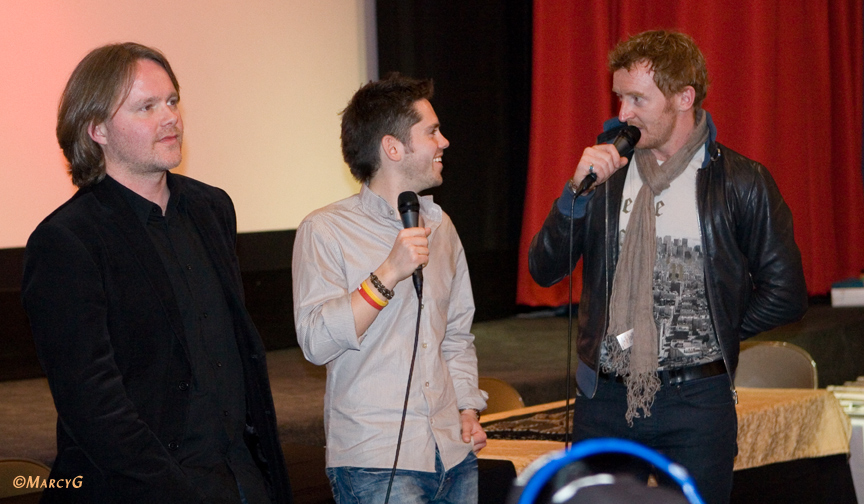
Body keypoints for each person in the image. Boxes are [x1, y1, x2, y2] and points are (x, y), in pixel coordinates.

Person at [528, 30, 807, 504]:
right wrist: (575, 194)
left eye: (638, 98)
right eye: (620, 97)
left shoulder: (741, 181)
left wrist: (714, 333)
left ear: (684, 97)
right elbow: (544, 268)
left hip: (697, 402)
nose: (623, 114)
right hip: (605, 400)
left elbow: (785, 293)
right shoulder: (606, 174)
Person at [22, 43, 292, 504]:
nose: (170, 117)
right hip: (144, 490)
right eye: (146, 106)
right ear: (97, 129)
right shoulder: (67, 241)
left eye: (171, 100)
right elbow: (93, 406)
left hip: (241, 480)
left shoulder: (212, 207)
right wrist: (175, 490)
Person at [292, 73, 487, 503]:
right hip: (374, 463)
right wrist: (388, 273)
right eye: (432, 131)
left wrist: (466, 409)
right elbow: (315, 342)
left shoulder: (441, 225)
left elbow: (455, 335)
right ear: (393, 148)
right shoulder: (325, 230)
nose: (445, 142)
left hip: (453, 453)